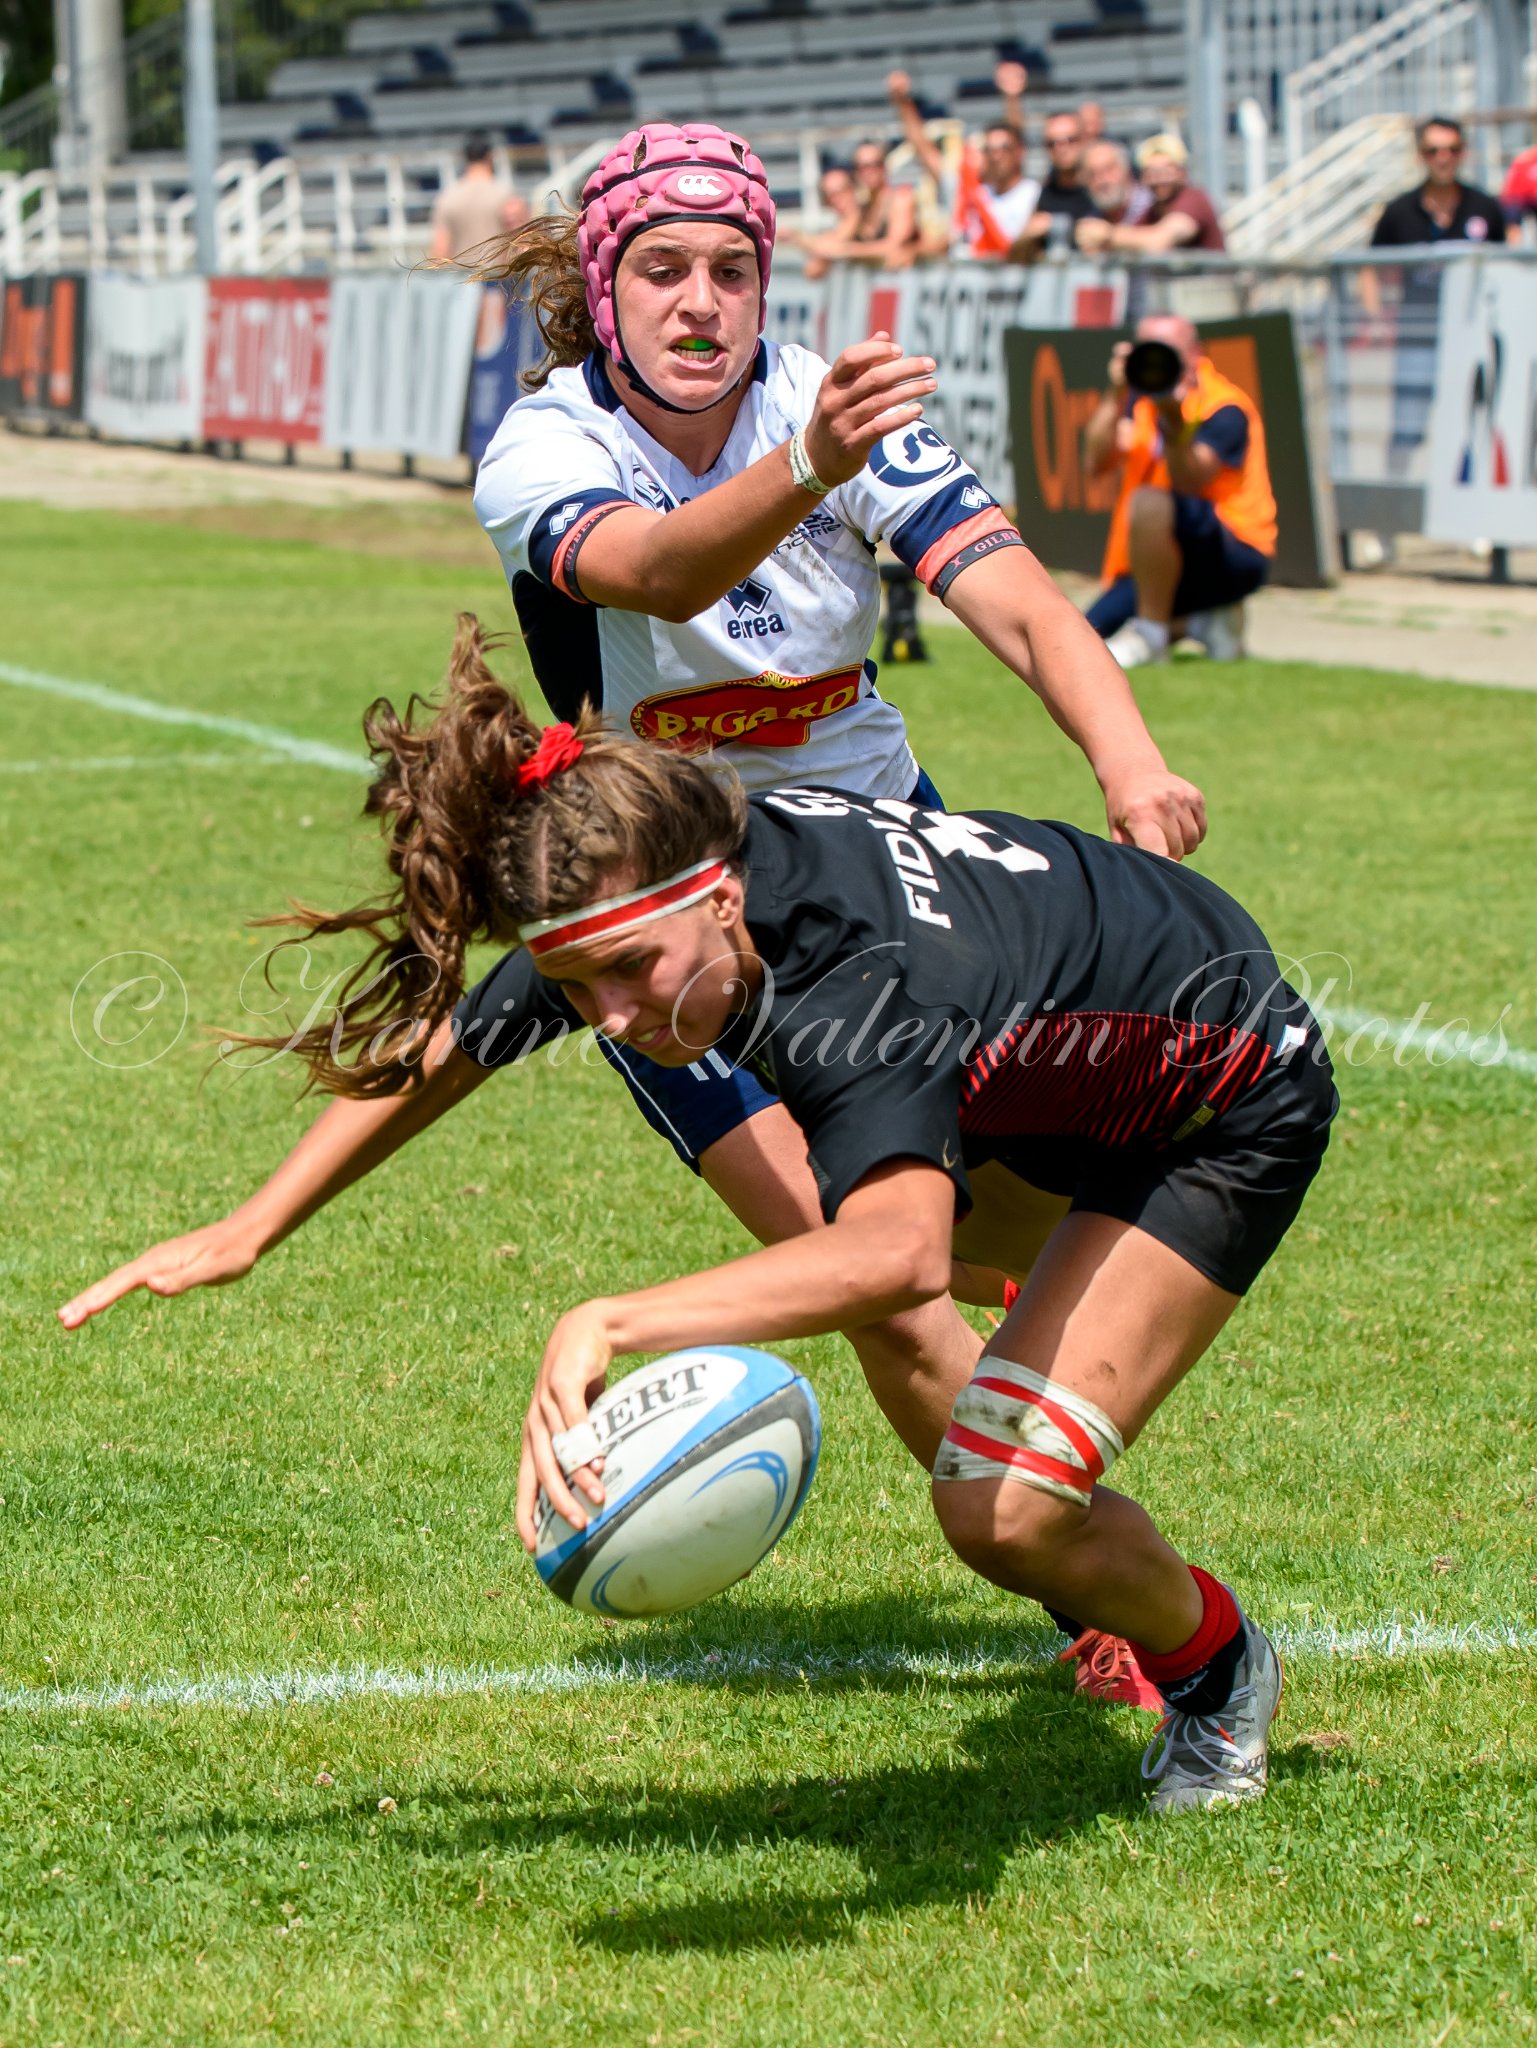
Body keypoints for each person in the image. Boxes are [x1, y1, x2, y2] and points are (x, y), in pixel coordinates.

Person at [66, 117, 1210, 1715]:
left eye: (732, 269)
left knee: (972, 1231)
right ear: (601, 289)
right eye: (660, 270)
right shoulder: (545, 443)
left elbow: (1011, 593)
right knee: (862, 1262)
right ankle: (1080, 1576)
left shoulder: (826, 402)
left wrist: (1129, 756)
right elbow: (662, 575)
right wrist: (252, 1223)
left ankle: (1054, 1445)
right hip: (671, 910)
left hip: (886, 874)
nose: (700, 303)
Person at [84, 631, 1326, 1810]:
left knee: (996, 1500)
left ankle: (1218, 1673)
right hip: (1057, 1068)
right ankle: (1060, 1311)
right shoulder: (656, 887)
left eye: (629, 972)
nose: (612, 1014)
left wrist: (608, 1318)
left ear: (724, 901)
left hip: (1220, 1103)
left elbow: (899, 1260)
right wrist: (253, 1224)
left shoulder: (858, 987)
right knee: (925, 1258)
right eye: (582, 984)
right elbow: (462, 1042)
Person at [1083, 314, 1277, 670]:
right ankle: (1205, 624)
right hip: (1159, 555)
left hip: (1232, 549)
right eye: (1147, 350)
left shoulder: (1224, 405)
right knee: (1088, 631)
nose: (1157, 361)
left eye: (1167, 351)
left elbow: (1191, 481)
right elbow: (1095, 463)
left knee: (1150, 500)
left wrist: (1172, 421)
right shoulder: (1135, 397)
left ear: (1195, 353)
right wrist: (1116, 392)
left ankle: (1152, 636)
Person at [1362, 117, 1507, 482]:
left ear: (1463, 153)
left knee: (1476, 427)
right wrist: (1376, 318)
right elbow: (1367, 268)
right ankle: (1391, 519)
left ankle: (1474, 520)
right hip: (1418, 340)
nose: (1443, 158)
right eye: (1433, 150)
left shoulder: (1485, 207)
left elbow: (1508, 264)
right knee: (1407, 429)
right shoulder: (1399, 212)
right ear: (1420, 156)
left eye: (1452, 149)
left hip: (1474, 339)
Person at [887, 63, 1042, 259]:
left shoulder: (1032, 193)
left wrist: (1012, 99)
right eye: (990, 149)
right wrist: (903, 103)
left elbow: (1014, 134)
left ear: (1019, 152)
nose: (997, 156)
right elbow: (923, 149)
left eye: (1004, 149)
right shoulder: (967, 191)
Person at [1077, 133, 1225, 255]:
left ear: (1182, 173)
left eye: (1167, 170)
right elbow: (1135, 239)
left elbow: (1160, 241)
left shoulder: (1193, 199)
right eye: (1152, 172)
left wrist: (1107, 235)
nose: (1160, 179)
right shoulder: (1151, 212)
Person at [796, 138, 920, 276]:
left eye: (874, 164)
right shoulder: (863, 208)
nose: (868, 171)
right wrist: (798, 240)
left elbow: (894, 246)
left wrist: (848, 250)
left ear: (885, 166)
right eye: (862, 166)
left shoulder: (901, 199)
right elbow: (833, 243)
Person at [430, 133, 529, 263]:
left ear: (465, 157)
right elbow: (523, 241)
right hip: (499, 277)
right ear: (490, 156)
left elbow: (440, 251)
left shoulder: (447, 197)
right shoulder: (505, 194)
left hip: (463, 277)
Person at [1025, 108, 1096, 250]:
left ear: (1085, 140)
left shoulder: (1101, 186)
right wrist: (1027, 236)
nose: (1061, 149)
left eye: (1070, 140)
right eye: (1052, 143)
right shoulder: (1040, 192)